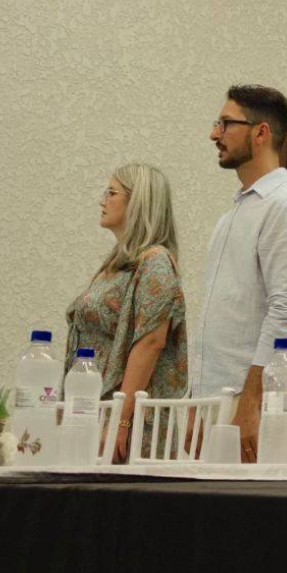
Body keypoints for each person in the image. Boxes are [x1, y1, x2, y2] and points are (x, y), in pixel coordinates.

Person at [193, 85, 287, 463]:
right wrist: (198, 401)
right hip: (219, 395)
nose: (214, 134)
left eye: (226, 124)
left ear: (261, 132)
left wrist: (252, 400)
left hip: (260, 395)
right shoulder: (234, 212)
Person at [65, 163, 187, 463]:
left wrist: (121, 422)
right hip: (94, 408)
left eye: (111, 192)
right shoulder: (117, 263)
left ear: (138, 201)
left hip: (129, 422)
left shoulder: (156, 262)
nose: (102, 200)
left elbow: (150, 343)